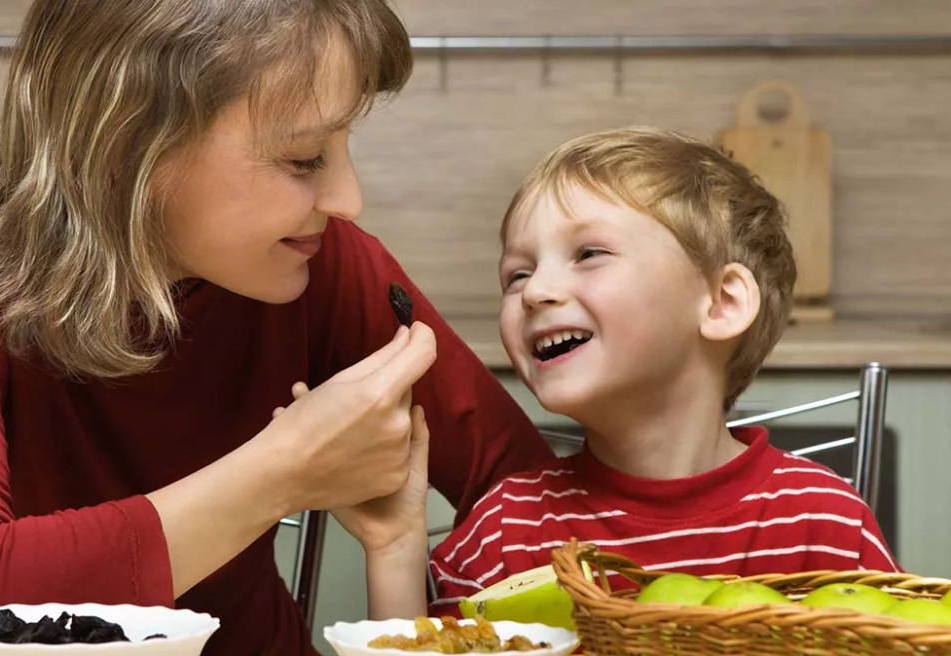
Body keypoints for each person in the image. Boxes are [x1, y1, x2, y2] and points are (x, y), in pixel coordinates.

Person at [0, 1, 556, 654]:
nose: (348, 199)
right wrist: (280, 473)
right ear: (128, 148)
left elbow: (529, 498)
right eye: (303, 158)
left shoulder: (321, 262)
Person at [347, 126, 899, 621]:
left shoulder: (825, 525)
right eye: (517, 274)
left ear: (722, 303)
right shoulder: (502, 531)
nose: (536, 292)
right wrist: (395, 549)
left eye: (588, 253)